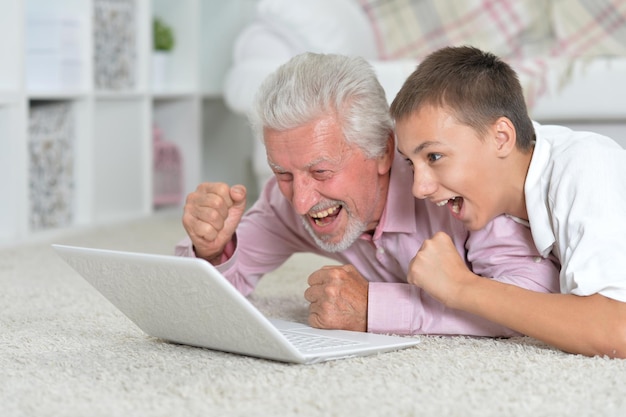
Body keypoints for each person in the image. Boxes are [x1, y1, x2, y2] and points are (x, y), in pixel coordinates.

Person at [176, 52, 559, 336]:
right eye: (283, 173)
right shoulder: (286, 197)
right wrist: (212, 249)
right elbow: (200, 299)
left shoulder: (455, 188)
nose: (302, 201)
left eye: (321, 171)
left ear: (383, 150)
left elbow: (531, 298)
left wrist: (374, 309)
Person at [391, 45, 626, 357]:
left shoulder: (585, 164)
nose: (418, 188)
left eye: (434, 156)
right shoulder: (509, 187)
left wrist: (462, 287)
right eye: (410, 162)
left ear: (501, 137)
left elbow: (616, 329)